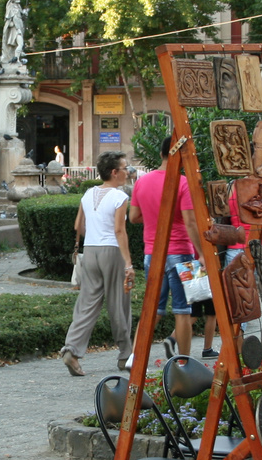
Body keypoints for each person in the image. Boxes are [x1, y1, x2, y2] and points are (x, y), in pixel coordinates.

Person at [61, 153, 134, 377]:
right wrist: (128, 263)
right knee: (119, 304)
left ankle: (71, 350)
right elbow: (119, 231)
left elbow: (78, 226)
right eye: (124, 168)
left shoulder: (88, 193)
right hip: (112, 252)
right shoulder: (119, 196)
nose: (127, 172)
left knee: (87, 304)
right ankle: (125, 355)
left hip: (90, 250)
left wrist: (93, 235)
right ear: (114, 172)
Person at [130, 137, 198, 358]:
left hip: (152, 252)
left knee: (153, 310)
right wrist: (204, 254)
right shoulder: (183, 182)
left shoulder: (142, 181)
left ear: (161, 154)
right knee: (183, 311)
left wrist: (155, 218)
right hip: (182, 252)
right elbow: (190, 222)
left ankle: (135, 357)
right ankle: (184, 363)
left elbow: (133, 217)